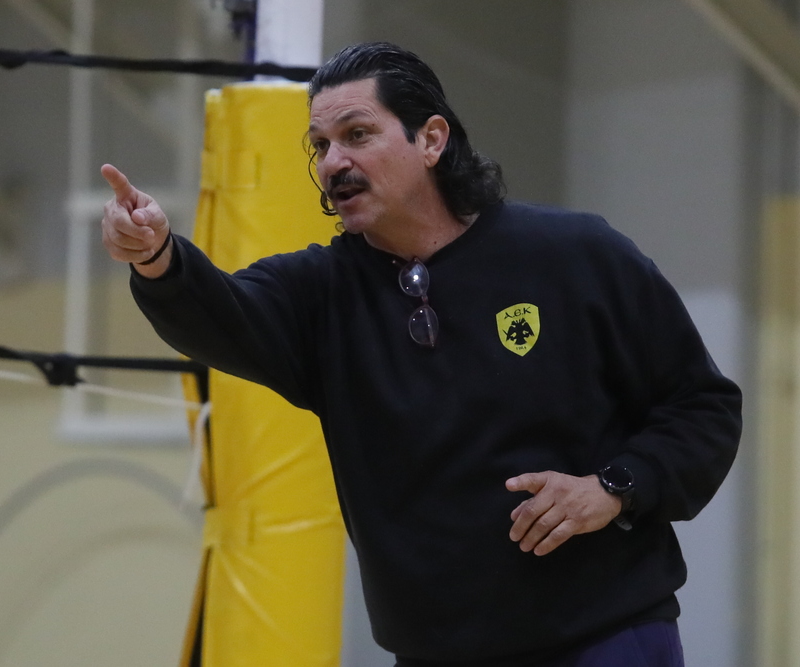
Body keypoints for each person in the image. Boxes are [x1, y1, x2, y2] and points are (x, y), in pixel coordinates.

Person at [101, 42, 741, 667]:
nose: (333, 162)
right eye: (320, 146)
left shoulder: (576, 255)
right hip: (436, 651)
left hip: (606, 636)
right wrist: (157, 256)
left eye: (357, 134)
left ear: (431, 140)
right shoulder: (318, 294)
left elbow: (702, 407)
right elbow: (219, 311)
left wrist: (614, 488)